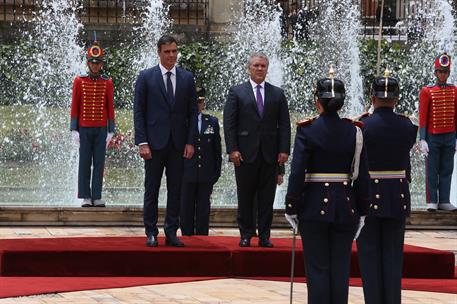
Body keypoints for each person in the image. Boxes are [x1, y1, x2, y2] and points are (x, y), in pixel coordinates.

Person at [284, 69, 370, 304]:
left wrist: (292, 204)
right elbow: (362, 174)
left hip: (313, 207)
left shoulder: (307, 129)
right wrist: (363, 209)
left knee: (318, 268)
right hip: (346, 205)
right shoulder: (354, 130)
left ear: (317, 100)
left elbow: (298, 171)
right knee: (340, 268)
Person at [356, 71, 418, 304]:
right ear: (397, 98)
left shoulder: (362, 125)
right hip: (397, 196)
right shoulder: (407, 125)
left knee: (370, 257)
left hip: (369, 195)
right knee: (393, 258)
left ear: (372, 98)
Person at [133, 35, 198, 247]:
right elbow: (138, 112)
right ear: (159, 52)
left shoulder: (187, 78)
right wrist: (142, 142)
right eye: (167, 51)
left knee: (176, 189)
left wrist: (190, 142)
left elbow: (192, 113)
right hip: (153, 144)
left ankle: (171, 230)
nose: (172, 55)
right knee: (151, 189)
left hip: (178, 144)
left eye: (174, 51)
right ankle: (151, 231)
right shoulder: (146, 77)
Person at [223, 52, 291, 248]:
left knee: (266, 198)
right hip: (244, 154)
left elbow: (284, 125)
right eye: (256, 65)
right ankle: (246, 234)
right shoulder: (237, 92)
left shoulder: (277, 93)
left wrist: (283, 150)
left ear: (267, 69)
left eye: (263, 66)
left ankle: (264, 235)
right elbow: (229, 124)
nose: (260, 68)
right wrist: (232, 149)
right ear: (249, 68)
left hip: (269, 155)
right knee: (245, 196)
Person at [70, 39, 115, 208]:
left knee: (99, 163)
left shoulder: (107, 82)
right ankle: (85, 196)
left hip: (101, 128)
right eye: (92, 63)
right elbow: (75, 106)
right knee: (84, 163)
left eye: (98, 63)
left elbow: (110, 107)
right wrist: (74, 128)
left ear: (101, 64)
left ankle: (97, 195)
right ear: (88, 63)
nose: (95, 66)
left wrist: (111, 130)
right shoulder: (79, 81)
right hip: (84, 128)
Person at [180, 87, 222, 236]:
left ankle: (203, 238)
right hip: (187, 173)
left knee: (204, 208)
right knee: (186, 208)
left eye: (200, 102)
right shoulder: (182, 122)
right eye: (195, 102)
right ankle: (186, 236)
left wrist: (216, 173)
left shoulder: (211, 121)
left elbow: (217, 150)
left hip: (206, 173)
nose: (198, 105)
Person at [419, 52, 457, 211]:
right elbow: (422, 116)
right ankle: (432, 201)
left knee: (447, 169)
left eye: (445, 71)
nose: (442, 74)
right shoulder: (427, 91)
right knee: (432, 170)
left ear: (449, 73)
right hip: (433, 137)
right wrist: (422, 138)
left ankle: (444, 200)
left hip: (450, 136)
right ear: (435, 72)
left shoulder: (455, 90)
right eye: (440, 71)